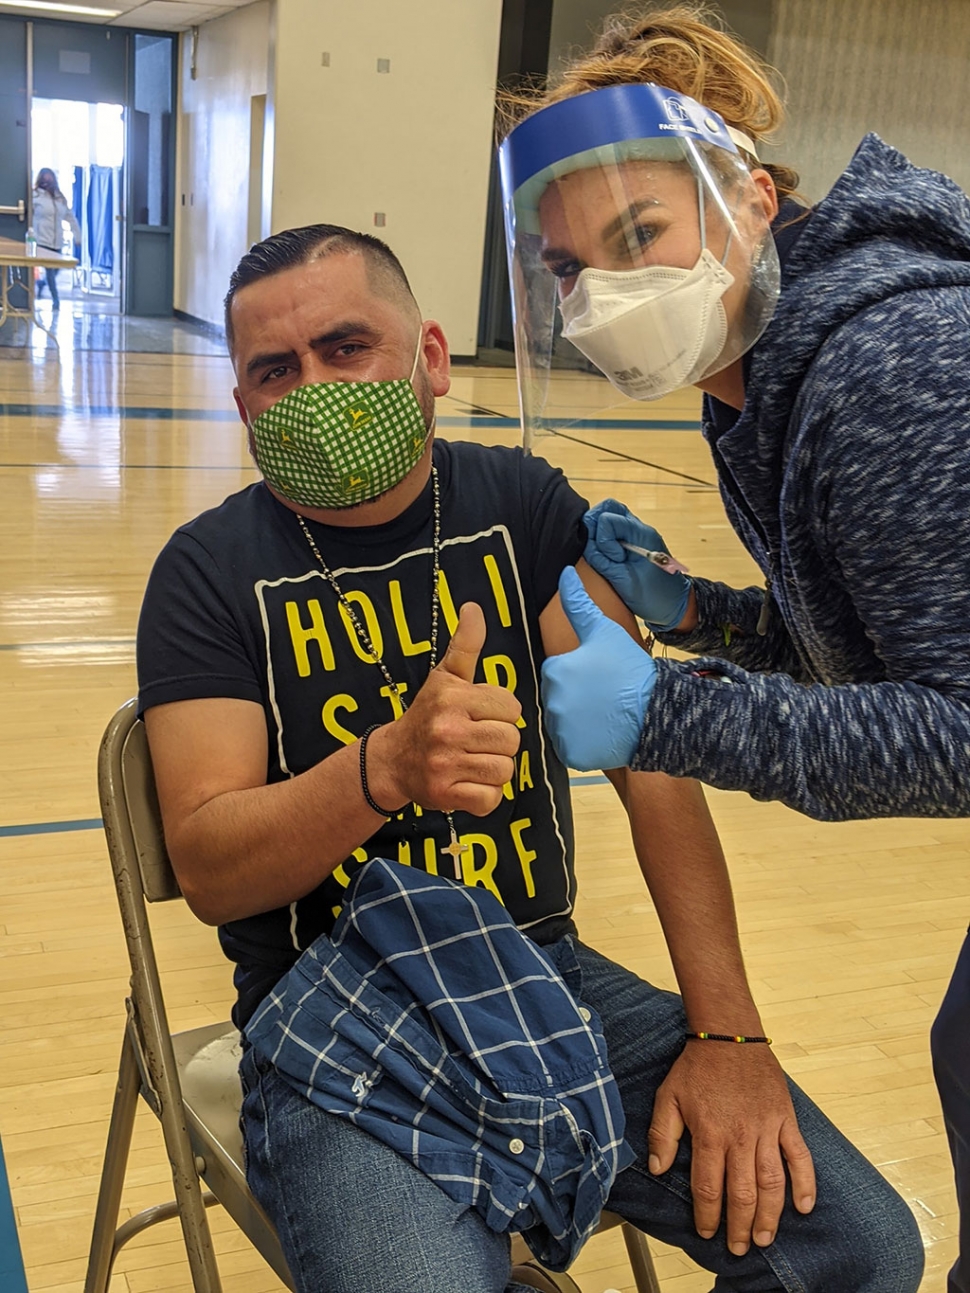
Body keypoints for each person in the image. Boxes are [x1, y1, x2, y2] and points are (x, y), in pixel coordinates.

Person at [136, 222, 922, 1292]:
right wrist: (380, 772)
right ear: (241, 406)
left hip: (544, 977)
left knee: (863, 1247)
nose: (315, 385)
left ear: (428, 356)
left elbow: (655, 770)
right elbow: (209, 864)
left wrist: (730, 1037)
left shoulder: (520, 508)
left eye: (346, 346)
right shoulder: (207, 572)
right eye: (276, 370)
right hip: (332, 1025)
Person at [498, 7, 970, 1290]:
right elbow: (878, 652)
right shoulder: (759, 369)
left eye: (640, 235)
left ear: (749, 200)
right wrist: (707, 615)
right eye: (569, 267)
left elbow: (961, 733)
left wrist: (668, 712)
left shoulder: (889, 359)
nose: (607, 291)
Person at [31, 168, 80, 309]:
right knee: (50, 271)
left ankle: (42, 283)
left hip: (57, 240)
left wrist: (77, 236)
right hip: (41, 240)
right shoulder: (35, 196)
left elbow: (70, 218)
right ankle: (56, 300)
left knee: (56, 270)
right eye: (44, 179)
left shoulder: (59, 198)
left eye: (49, 179)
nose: (47, 182)